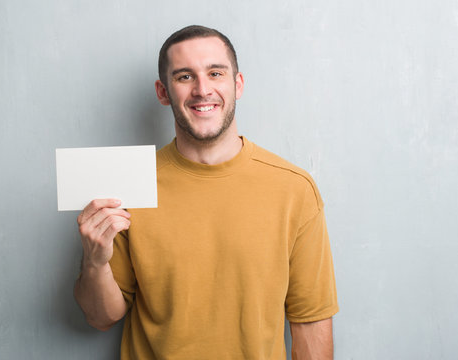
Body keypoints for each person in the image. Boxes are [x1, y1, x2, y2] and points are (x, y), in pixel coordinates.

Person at [74, 25, 338, 360]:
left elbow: (311, 324)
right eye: (185, 77)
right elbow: (101, 317)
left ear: (237, 84)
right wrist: (95, 262)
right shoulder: (129, 185)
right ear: (163, 91)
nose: (202, 89)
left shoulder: (294, 189)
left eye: (215, 73)